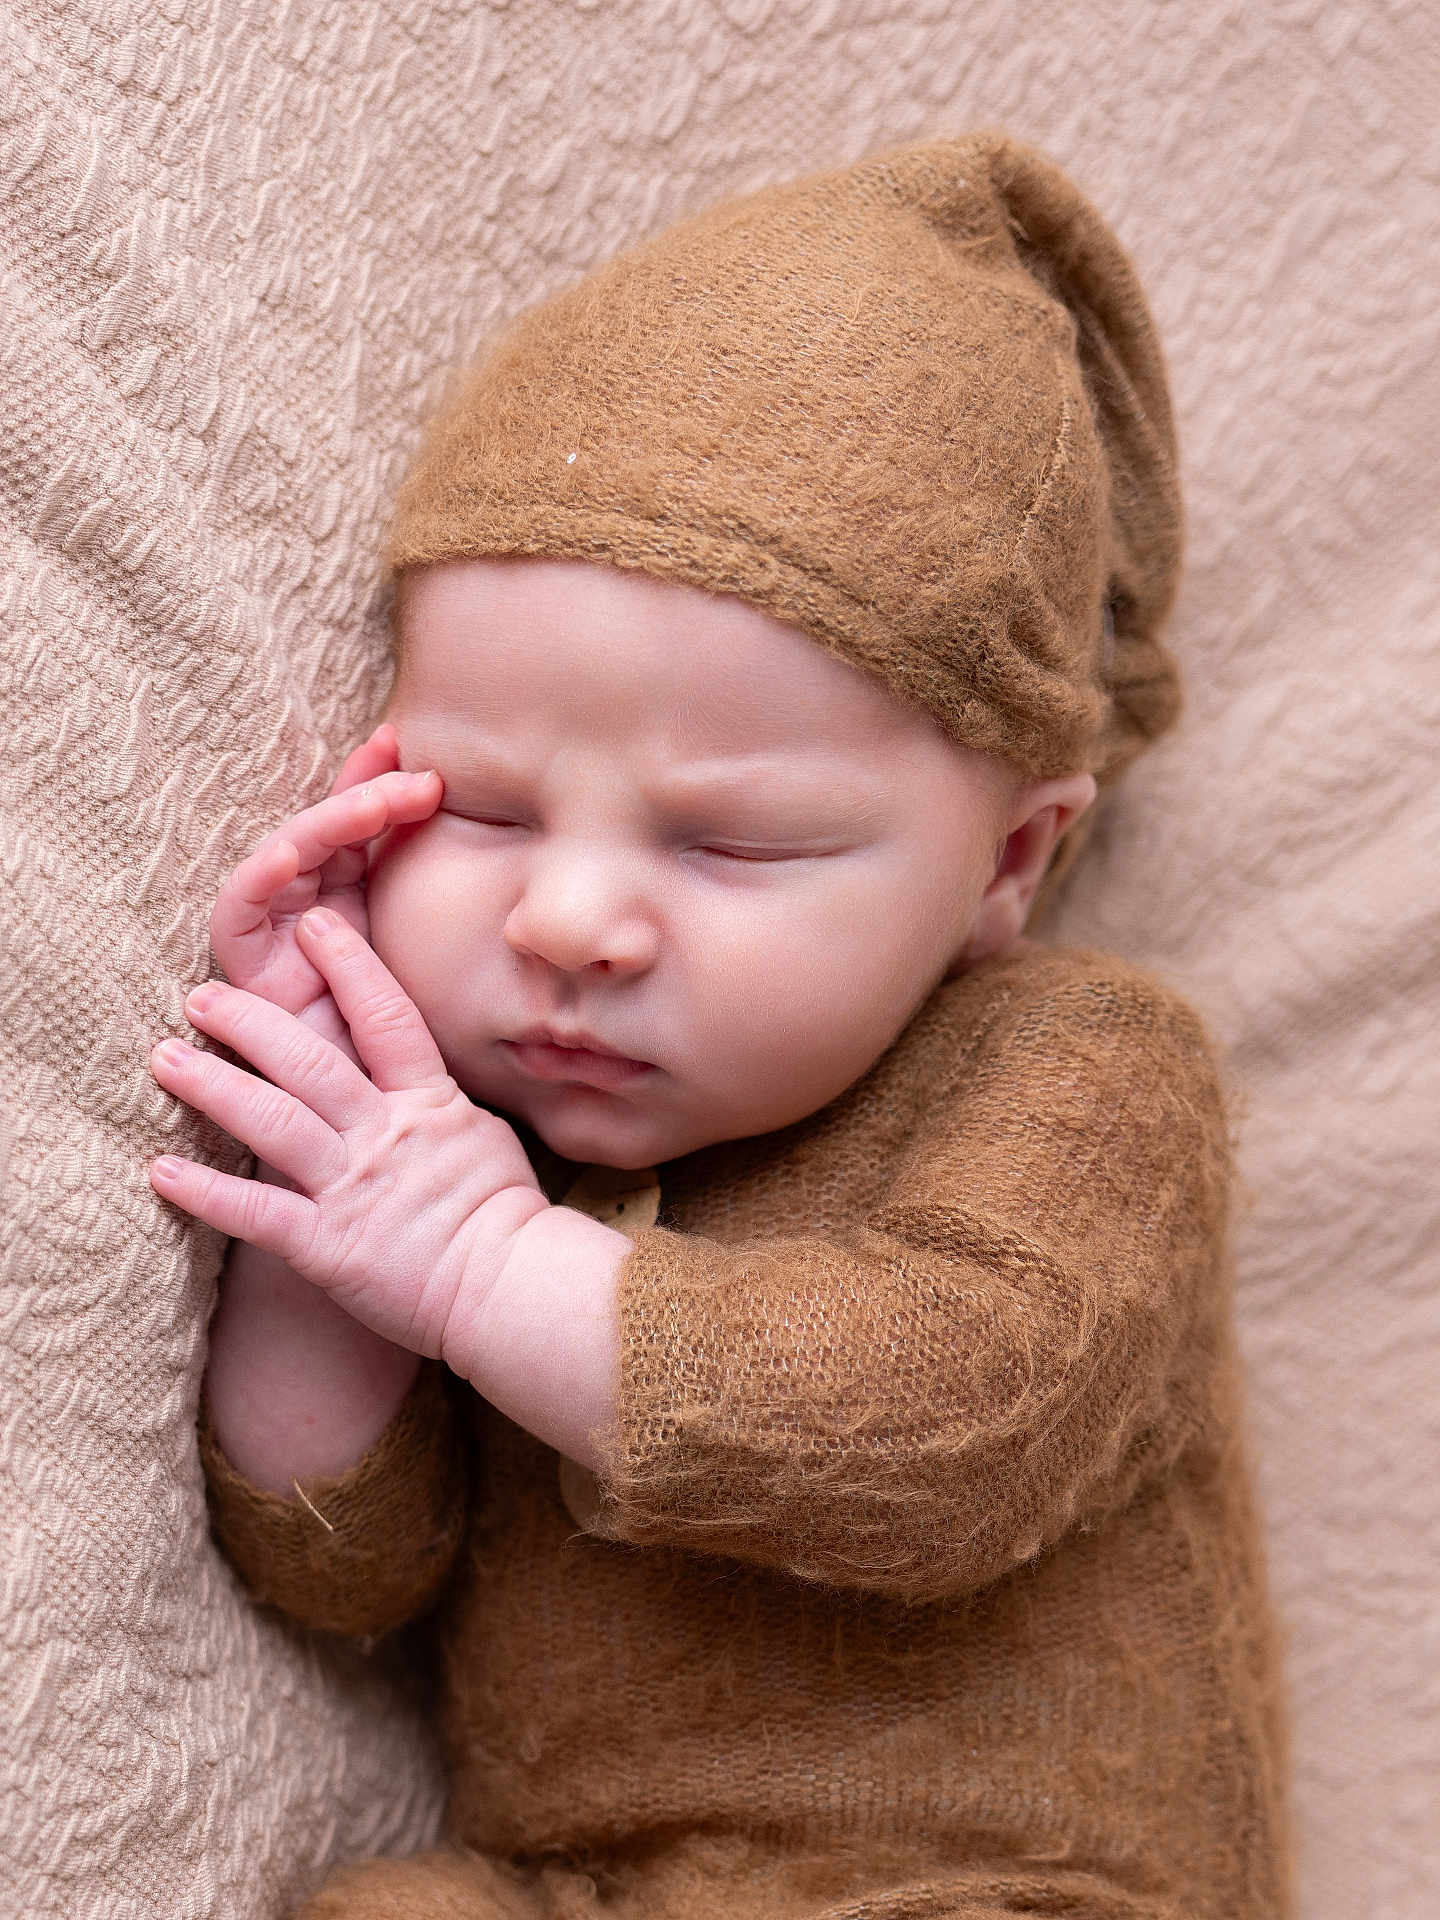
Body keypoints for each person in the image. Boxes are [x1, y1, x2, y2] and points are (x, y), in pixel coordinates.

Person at [147, 132, 1292, 1919]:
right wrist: (326, 1206)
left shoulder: (1082, 1071)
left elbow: (952, 1431)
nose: (572, 921)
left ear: (1008, 859)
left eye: (732, 840)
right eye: (491, 807)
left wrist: (468, 1269)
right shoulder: (489, 1141)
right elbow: (345, 1572)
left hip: (1005, 1887)